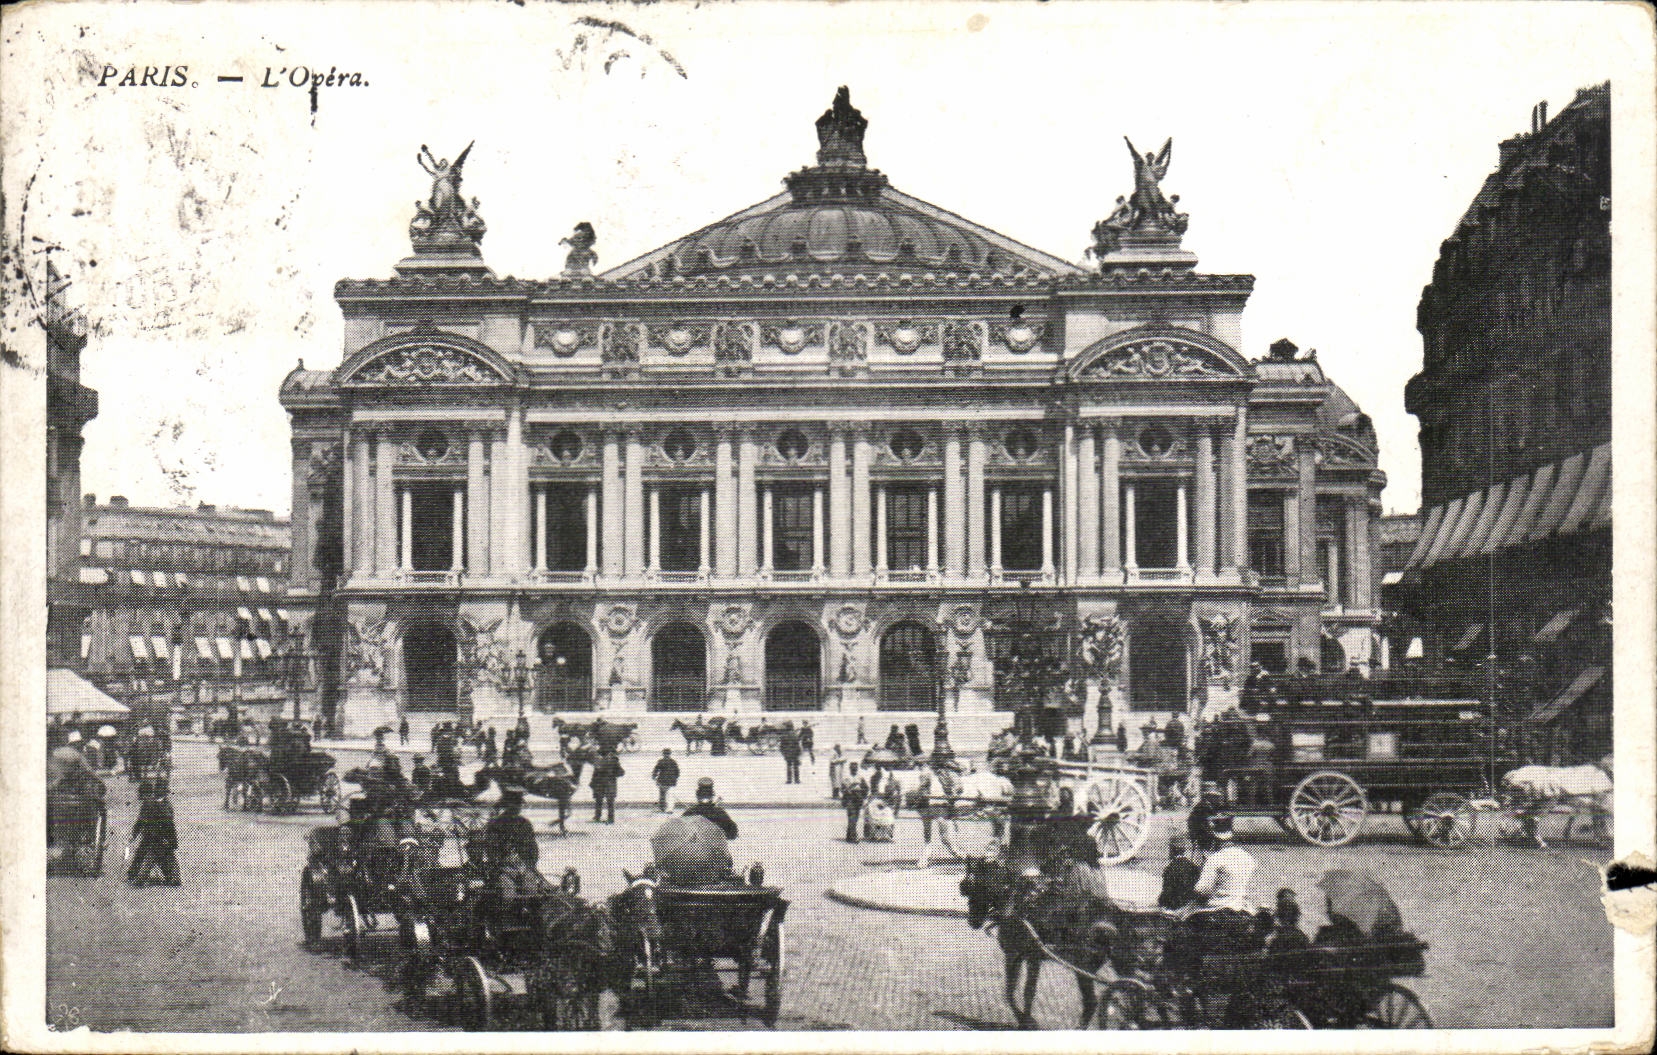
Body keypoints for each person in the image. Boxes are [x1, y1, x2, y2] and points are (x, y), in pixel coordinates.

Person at [128, 779, 181, 886]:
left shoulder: (150, 804)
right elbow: (170, 826)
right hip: (162, 839)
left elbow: (140, 822)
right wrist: (171, 842)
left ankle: (137, 876)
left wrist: (134, 835)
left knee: (148, 857)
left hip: (154, 838)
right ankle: (172, 877)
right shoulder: (167, 805)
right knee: (166, 858)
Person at [1159, 832, 1201, 910]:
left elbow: (1166, 894)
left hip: (1176, 908)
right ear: (1184, 850)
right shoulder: (1194, 867)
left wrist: (1160, 901)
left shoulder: (1170, 869)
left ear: (1172, 850)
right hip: (1191, 908)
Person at [589, 748, 622, 823]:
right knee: (610, 801)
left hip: (600, 783)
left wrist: (592, 782)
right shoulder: (614, 760)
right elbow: (621, 772)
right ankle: (610, 818)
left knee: (599, 801)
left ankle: (598, 817)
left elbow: (595, 773)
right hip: (609, 783)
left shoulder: (598, 761)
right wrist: (613, 774)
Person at [840, 763, 867, 843]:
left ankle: (849, 836)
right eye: (852, 768)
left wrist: (863, 795)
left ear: (857, 769)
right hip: (849, 798)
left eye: (855, 768)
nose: (854, 769)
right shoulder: (846, 778)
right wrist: (848, 790)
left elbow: (866, 788)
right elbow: (842, 789)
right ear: (850, 769)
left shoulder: (860, 777)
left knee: (855, 818)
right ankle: (854, 836)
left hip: (858, 798)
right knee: (852, 817)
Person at [651, 748, 680, 812]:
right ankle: (670, 809)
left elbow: (656, 769)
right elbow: (677, 772)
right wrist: (675, 778)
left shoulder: (661, 761)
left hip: (662, 781)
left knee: (662, 795)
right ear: (670, 754)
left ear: (663, 754)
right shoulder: (673, 762)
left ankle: (662, 808)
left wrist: (654, 776)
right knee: (671, 795)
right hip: (672, 781)